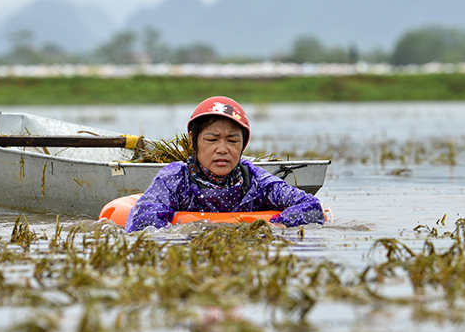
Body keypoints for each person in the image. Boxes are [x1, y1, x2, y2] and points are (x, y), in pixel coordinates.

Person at [125, 96, 325, 232]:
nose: (222, 149)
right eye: (212, 140)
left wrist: (275, 227)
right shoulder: (176, 178)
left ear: (243, 144)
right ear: (193, 140)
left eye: (232, 141)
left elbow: (311, 207)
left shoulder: (255, 180)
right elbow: (143, 221)